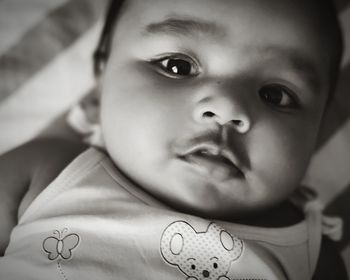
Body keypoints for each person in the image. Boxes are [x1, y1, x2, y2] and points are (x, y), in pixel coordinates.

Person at [0, 0, 347, 279]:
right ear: (100, 86)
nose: (228, 108)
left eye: (275, 95)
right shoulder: (47, 172)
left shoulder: (312, 255)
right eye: (177, 66)